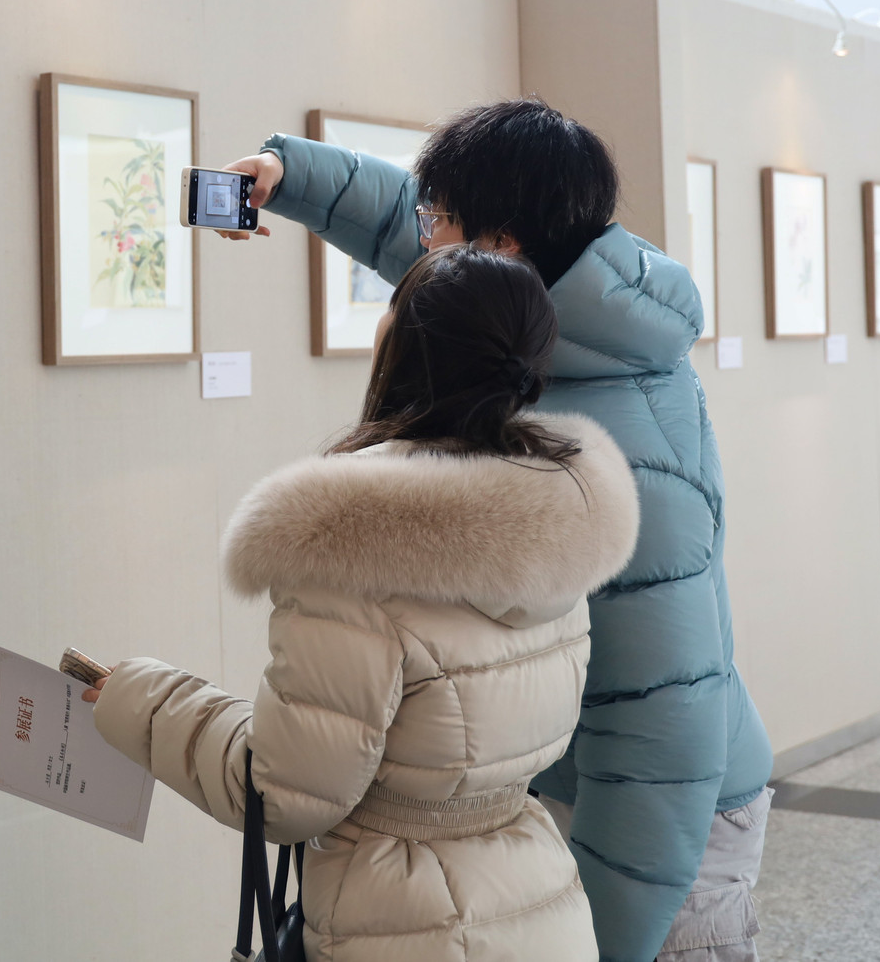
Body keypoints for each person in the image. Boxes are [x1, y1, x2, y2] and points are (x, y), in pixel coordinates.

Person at [218, 98, 773, 962]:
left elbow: (663, 728)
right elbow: (412, 233)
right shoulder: (556, 307)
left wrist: (604, 944)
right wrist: (290, 177)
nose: (420, 238)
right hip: (586, 789)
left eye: (438, 220)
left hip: (668, 830)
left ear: (503, 245)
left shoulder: (628, 454)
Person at [87, 245, 641, 961]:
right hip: (542, 908)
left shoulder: (350, 540)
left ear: (406, 346)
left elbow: (286, 793)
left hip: (401, 926)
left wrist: (143, 700)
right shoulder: (557, 513)